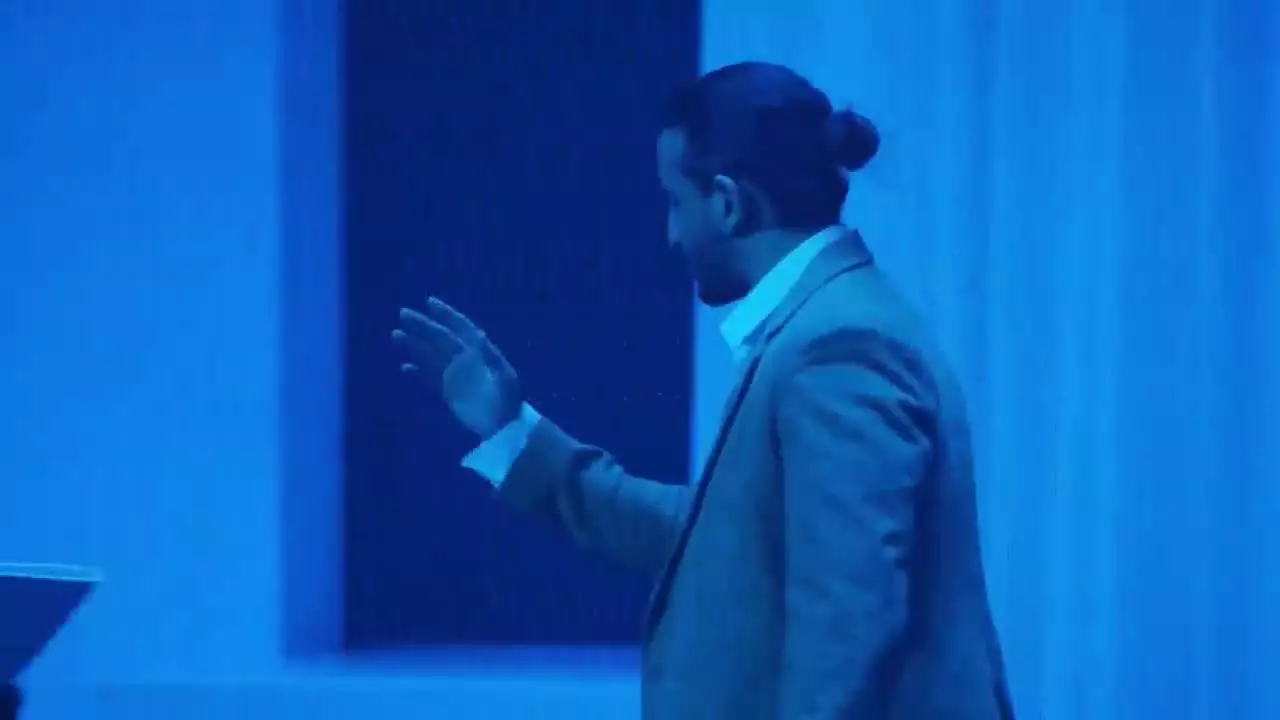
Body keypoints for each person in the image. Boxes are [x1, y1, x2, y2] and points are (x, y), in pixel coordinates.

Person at [393, 61, 1013, 719]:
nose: (670, 234)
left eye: (675, 202)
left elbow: (847, 627)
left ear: (726, 202)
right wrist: (511, 432)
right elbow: (714, 536)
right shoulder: (823, 327)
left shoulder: (837, 346)